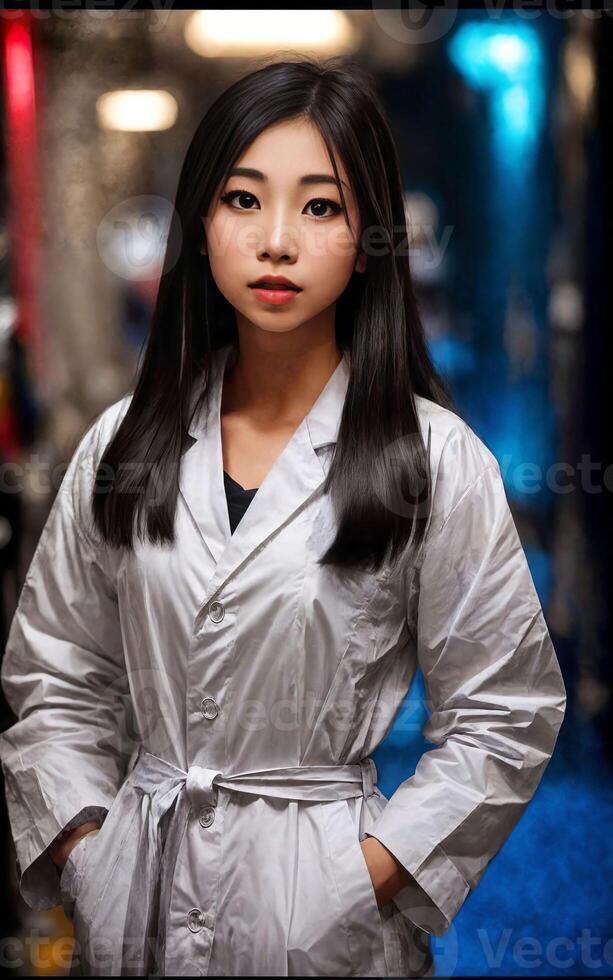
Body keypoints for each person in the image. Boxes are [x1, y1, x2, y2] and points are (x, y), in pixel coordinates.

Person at [0, 56, 567, 977]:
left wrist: (360, 877)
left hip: (327, 925)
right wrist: (90, 856)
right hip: (136, 901)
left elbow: (502, 712)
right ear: (200, 225)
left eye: (320, 207)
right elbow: (57, 675)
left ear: (369, 236)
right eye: (242, 200)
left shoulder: (431, 459)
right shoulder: (126, 442)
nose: (275, 242)